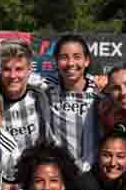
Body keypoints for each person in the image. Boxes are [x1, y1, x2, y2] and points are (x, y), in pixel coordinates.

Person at [29, 35, 102, 173]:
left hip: (93, 171)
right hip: (60, 172)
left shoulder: (99, 91)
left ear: (86, 61)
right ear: (56, 61)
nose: (70, 63)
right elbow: (17, 77)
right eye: (64, 57)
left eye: (77, 57)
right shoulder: (47, 87)